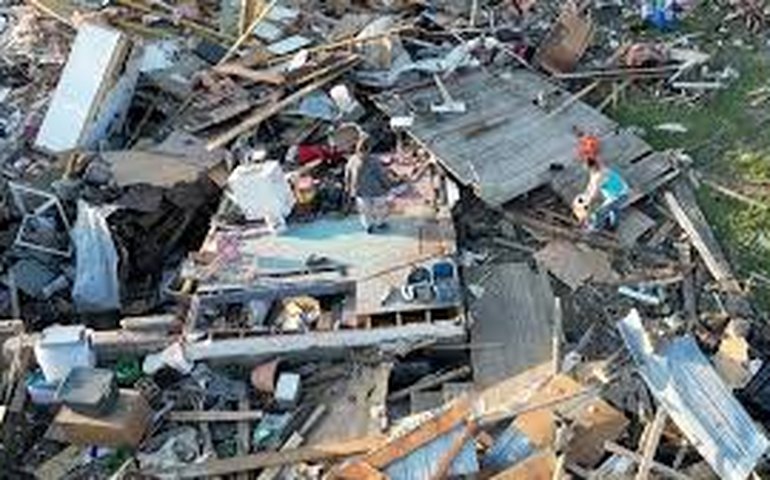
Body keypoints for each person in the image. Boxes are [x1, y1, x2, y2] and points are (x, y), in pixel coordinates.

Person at [572, 132, 629, 231]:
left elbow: (594, 194)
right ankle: (613, 224)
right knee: (613, 209)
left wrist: (584, 207)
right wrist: (585, 194)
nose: (585, 168)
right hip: (617, 191)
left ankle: (595, 228)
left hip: (619, 195)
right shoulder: (596, 170)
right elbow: (590, 184)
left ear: (591, 167)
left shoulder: (600, 176)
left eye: (585, 167)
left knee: (600, 213)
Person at [344, 129, 393, 233]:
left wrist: (348, 187)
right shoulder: (374, 161)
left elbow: (347, 175)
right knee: (380, 209)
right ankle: (380, 224)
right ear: (369, 149)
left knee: (365, 211)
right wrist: (388, 185)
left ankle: (368, 227)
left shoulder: (352, 160)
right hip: (377, 190)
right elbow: (381, 176)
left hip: (360, 191)